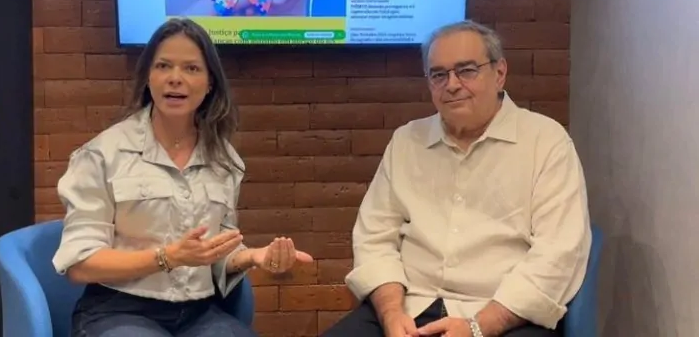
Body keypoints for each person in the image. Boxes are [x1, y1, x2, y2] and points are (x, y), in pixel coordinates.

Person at [323, 21, 592, 337]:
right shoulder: (406, 141)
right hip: (409, 308)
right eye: (438, 74)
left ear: (500, 73)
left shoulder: (546, 142)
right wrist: (391, 314)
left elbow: (558, 254)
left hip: (504, 316)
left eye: (466, 70)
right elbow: (374, 237)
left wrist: (477, 327)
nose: (451, 85)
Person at [52, 18, 314, 337]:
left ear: (210, 83)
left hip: (198, 313)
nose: (175, 79)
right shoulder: (102, 154)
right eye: (163, 66)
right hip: (118, 310)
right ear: (148, 77)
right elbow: (80, 264)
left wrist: (251, 257)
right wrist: (168, 257)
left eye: (191, 68)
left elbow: (215, 251)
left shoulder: (224, 159)